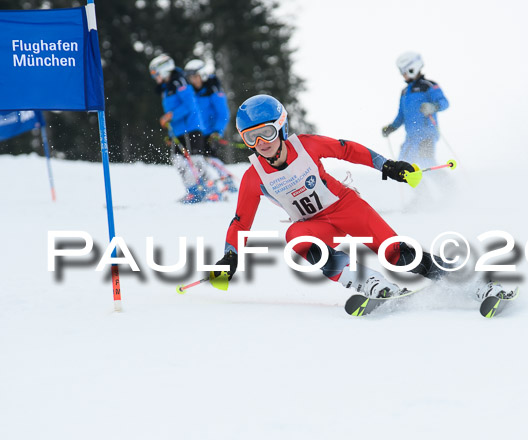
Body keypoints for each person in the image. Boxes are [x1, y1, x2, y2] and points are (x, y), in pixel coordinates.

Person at [211, 94, 507, 303]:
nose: (261, 144)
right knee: (296, 238)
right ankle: (368, 281)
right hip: (313, 224)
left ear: (282, 127)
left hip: (345, 207)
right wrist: (231, 256)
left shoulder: (308, 146)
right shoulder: (254, 177)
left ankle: (475, 284)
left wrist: (387, 166)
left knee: (397, 254)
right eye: (251, 138)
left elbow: (348, 150)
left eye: (266, 133)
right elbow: (240, 222)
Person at [149, 54, 220, 203]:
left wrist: (171, 115)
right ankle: (193, 191)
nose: (155, 77)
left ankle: (212, 190)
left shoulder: (179, 81)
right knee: (178, 161)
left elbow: (189, 105)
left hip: (191, 128)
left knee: (196, 161)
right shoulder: (165, 88)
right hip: (178, 131)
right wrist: (170, 134)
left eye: (155, 73)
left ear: (164, 70)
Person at [382, 52, 449, 165]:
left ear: (412, 68)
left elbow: (444, 102)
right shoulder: (405, 92)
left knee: (425, 164)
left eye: (403, 71)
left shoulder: (428, 86)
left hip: (426, 135)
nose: (402, 75)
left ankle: (447, 183)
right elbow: (401, 116)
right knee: (403, 166)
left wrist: (433, 107)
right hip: (411, 138)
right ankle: (415, 184)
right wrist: (391, 128)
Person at [184, 59, 230, 159]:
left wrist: (217, 130)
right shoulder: (189, 91)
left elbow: (223, 113)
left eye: (196, 77)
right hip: (193, 133)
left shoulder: (213, 89)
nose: (194, 80)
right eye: (191, 78)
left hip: (210, 134)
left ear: (203, 74)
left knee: (210, 162)